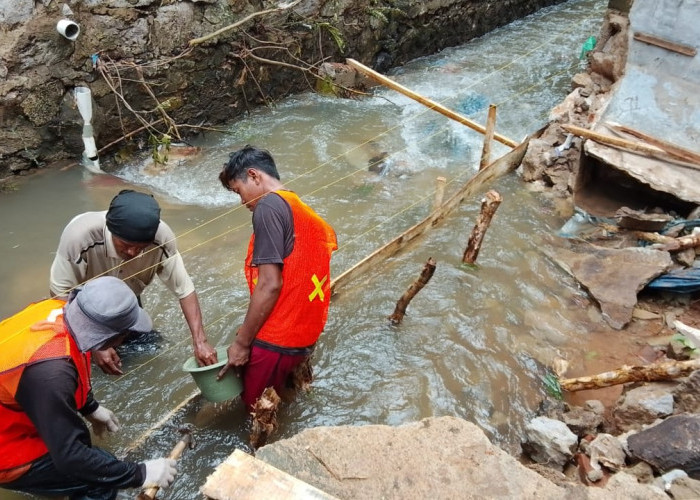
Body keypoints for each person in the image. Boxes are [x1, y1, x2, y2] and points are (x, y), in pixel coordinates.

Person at [0, 276, 178, 500]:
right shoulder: (53, 373)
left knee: (98, 461)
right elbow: (70, 458)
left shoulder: (62, 311)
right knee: (99, 481)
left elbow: (74, 359)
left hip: (13, 410)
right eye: (125, 334)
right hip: (5, 450)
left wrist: (89, 406)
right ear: (111, 337)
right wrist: (141, 473)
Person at [217, 145, 338, 411]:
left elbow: (270, 284)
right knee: (282, 402)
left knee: (254, 410)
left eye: (239, 191)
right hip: (304, 336)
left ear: (254, 176)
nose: (243, 202)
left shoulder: (268, 205)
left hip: (278, 338)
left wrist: (240, 343)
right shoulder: (300, 207)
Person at [50, 189, 216, 374]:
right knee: (83, 367)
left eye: (141, 248)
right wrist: (94, 345)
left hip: (126, 302)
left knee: (150, 351)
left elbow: (184, 289)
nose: (132, 253)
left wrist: (200, 342)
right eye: (126, 245)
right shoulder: (79, 237)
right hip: (85, 310)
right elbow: (60, 295)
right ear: (111, 231)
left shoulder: (162, 238)